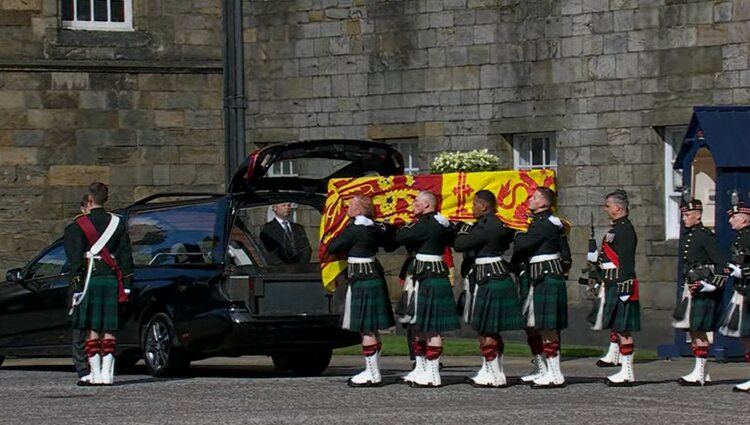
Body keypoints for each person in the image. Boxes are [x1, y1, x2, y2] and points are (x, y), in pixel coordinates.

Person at [63, 182, 133, 386]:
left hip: (90, 279)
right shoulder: (117, 224)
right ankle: (107, 375)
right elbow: (126, 257)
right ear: (106, 200)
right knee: (110, 327)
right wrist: (127, 283)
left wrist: (76, 286)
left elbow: (76, 261)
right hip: (111, 279)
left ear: (90, 200)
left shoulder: (77, 226)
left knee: (92, 327)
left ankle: (94, 375)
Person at [454, 190, 524, 387]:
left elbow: (460, 244)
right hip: (491, 273)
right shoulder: (497, 223)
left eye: (475, 204)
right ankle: (492, 370)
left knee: (488, 328)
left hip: (489, 276)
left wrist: (466, 225)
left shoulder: (487, 225)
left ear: (484, 206)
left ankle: (495, 375)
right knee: (487, 328)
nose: (472, 208)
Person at [327, 195, 395, 387]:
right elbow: (390, 241)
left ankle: (372, 373)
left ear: (358, 210)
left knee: (366, 327)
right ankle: (373, 370)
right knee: (371, 327)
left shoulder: (355, 229)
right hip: (372, 275)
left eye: (350, 206)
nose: (347, 209)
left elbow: (333, 246)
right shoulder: (373, 228)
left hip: (362, 279)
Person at [395, 191, 459, 387]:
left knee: (430, 327)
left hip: (427, 276)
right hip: (427, 275)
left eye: (416, 201)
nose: (412, 204)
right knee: (420, 325)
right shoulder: (442, 224)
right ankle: (422, 369)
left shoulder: (424, 225)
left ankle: (432, 374)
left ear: (426, 205)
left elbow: (401, 236)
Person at [511, 187, 568, 389]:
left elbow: (522, 245)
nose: (530, 199)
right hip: (539, 275)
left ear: (543, 203)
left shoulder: (544, 223)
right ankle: (545, 370)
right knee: (537, 325)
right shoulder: (541, 222)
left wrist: (517, 231)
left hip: (546, 275)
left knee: (547, 325)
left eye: (534, 197)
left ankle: (554, 373)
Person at [588, 189, 640, 386]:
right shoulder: (617, 228)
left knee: (624, 329)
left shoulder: (625, 230)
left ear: (617, 208)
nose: (606, 209)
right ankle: (623, 369)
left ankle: (627, 372)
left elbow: (626, 260)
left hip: (620, 284)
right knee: (618, 327)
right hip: (611, 282)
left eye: (608, 206)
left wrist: (625, 285)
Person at [672, 199, 727, 386]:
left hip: (703, 289)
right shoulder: (690, 235)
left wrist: (712, 284)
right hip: (692, 286)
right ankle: (703, 371)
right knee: (693, 329)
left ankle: (700, 373)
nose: (684, 218)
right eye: (683, 215)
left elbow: (720, 263)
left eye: (687, 215)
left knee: (699, 329)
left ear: (698, 215)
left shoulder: (705, 236)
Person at [718, 195, 750, 393]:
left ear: (745, 219)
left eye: (734, 217)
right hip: (743, 290)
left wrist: (743, 272)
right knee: (745, 336)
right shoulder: (740, 237)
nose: (730, 220)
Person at [69, 195, 92, 386]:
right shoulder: (76, 229)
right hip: (86, 279)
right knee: (81, 325)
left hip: (94, 279)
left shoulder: (107, 225)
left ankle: (95, 368)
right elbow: (75, 260)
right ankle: (84, 368)